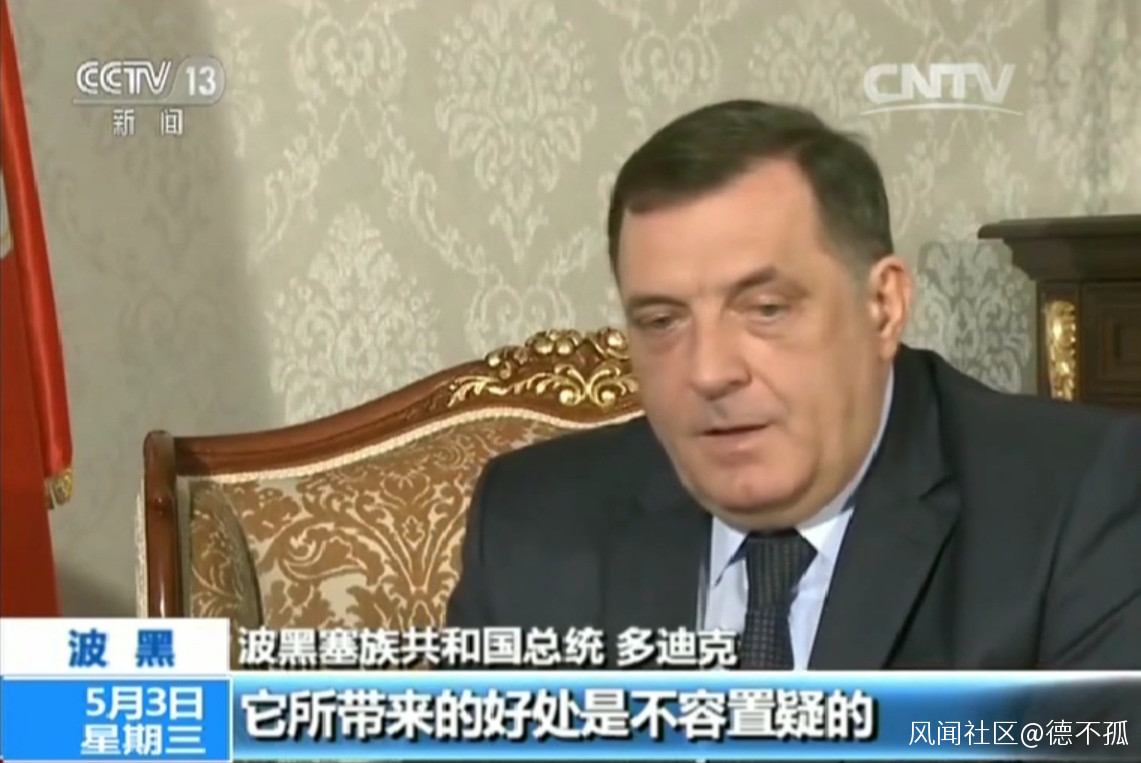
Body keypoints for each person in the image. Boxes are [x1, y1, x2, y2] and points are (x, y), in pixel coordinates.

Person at [446, 100, 1141, 678]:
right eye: (661, 321)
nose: (709, 370)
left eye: (766, 309)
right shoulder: (532, 522)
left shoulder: (1077, 502)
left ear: (883, 307)